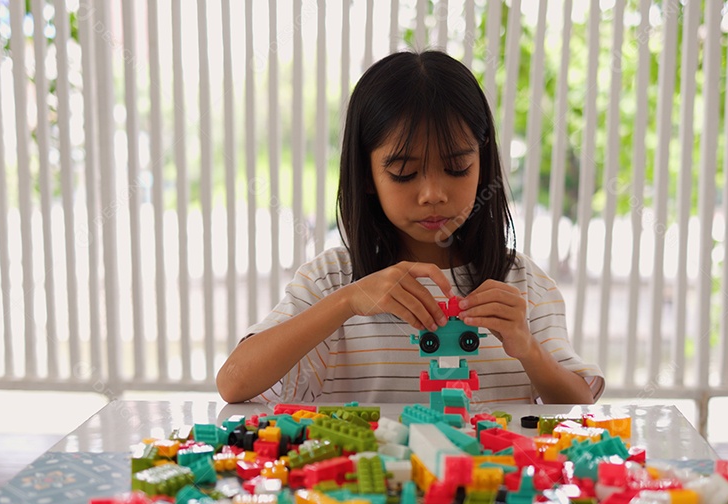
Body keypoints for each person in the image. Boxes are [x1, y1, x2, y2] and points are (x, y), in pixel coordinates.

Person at [216, 50, 603, 405]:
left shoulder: (521, 282)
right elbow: (234, 383)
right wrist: (348, 301)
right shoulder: (332, 280)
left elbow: (580, 406)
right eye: (404, 173)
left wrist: (528, 348)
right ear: (367, 175)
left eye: (457, 168)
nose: (433, 194)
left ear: (482, 163)